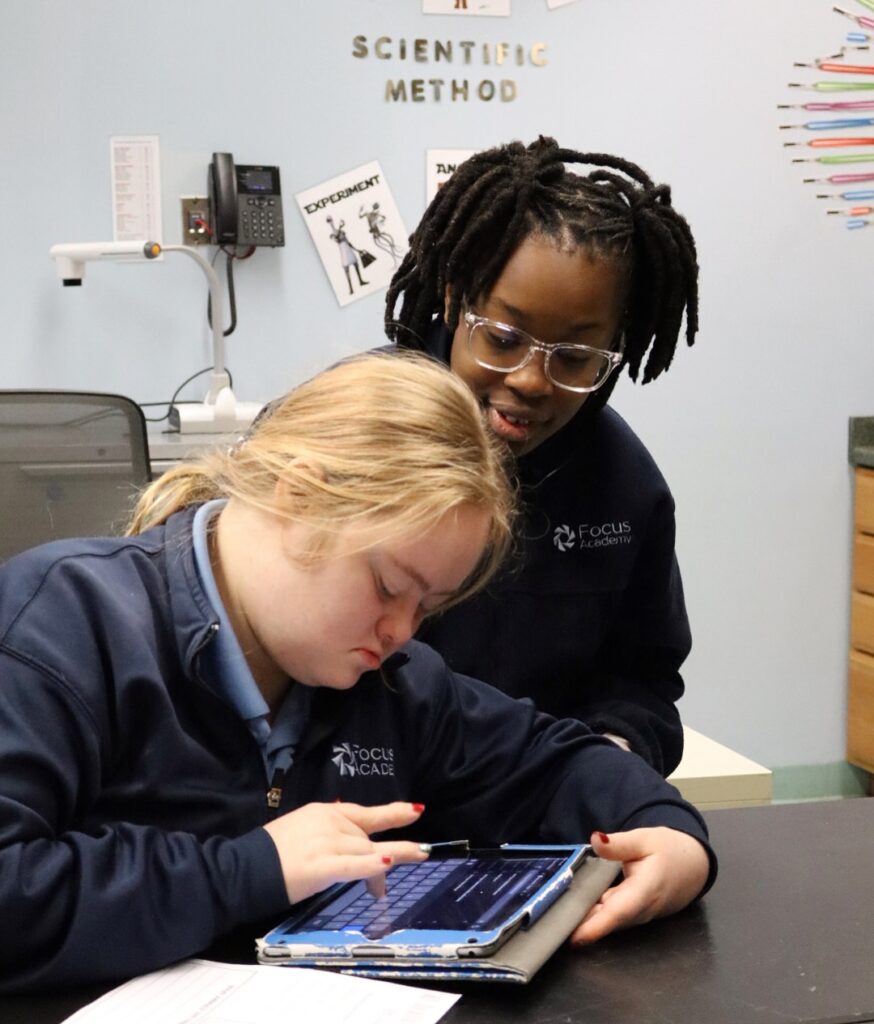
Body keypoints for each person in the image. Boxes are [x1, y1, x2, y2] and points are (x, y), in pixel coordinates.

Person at [0, 353, 713, 994]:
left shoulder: (393, 684)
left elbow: (547, 761)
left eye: (428, 606)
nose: (401, 631)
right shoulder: (61, 624)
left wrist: (668, 831)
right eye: (387, 586)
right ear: (299, 497)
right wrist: (252, 869)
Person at [385, 136, 700, 776]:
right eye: (503, 339)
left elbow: (642, 680)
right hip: (357, 804)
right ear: (454, 298)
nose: (531, 381)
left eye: (576, 358)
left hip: (540, 803)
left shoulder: (625, 487)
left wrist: (610, 756)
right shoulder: (351, 432)